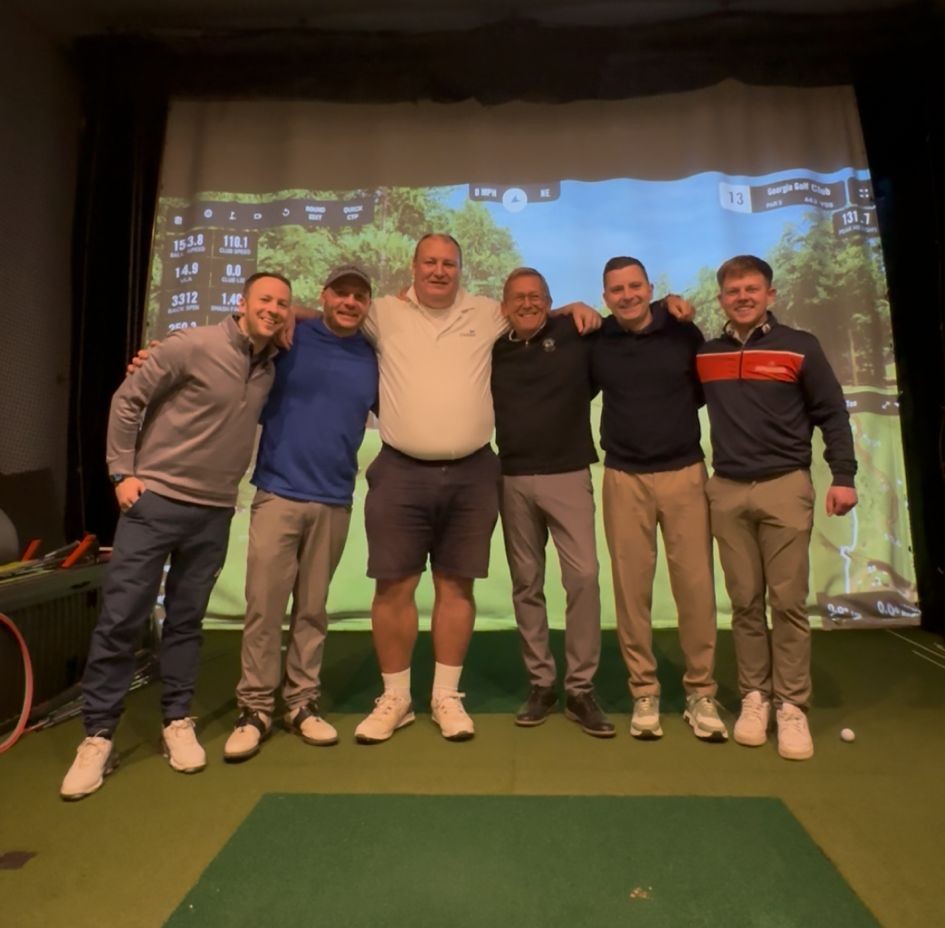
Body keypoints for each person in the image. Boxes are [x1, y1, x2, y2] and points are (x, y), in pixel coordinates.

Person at [353, 234, 601, 744]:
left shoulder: (487, 312)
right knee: (393, 586)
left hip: (472, 473)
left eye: (448, 263)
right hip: (400, 470)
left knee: (456, 585)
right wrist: (288, 314)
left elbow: (536, 311)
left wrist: (575, 306)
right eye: (430, 262)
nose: (439, 271)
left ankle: (446, 695)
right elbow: (331, 314)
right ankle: (396, 698)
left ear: (460, 269)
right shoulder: (382, 313)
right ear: (413, 266)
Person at [60, 272, 290, 800]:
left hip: (213, 513)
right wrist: (122, 473)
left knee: (186, 621)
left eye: (283, 303)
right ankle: (98, 737)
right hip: (154, 502)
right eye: (265, 299)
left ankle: (177, 720)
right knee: (122, 619)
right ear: (241, 302)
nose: (274, 309)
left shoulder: (270, 367)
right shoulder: (191, 345)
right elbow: (127, 401)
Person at [696, 254, 857, 761]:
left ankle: (791, 706)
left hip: (784, 486)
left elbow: (831, 412)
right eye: (733, 291)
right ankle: (755, 697)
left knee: (787, 602)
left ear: (770, 294)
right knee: (745, 601)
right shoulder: (707, 354)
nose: (742, 297)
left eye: (752, 289)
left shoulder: (799, 346)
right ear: (721, 299)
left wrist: (844, 476)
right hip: (727, 489)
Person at [223, 266, 378, 762]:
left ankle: (300, 703)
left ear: (367, 304)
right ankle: (254, 709)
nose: (350, 302)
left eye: (359, 296)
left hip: (334, 500)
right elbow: (237, 338)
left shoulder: (373, 356)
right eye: (341, 293)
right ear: (324, 296)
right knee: (264, 607)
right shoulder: (290, 337)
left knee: (312, 610)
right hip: (278, 492)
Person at [591, 257, 727, 743]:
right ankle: (644, 692)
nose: (627, 295)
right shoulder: (598, 339)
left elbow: (700, 394)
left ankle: (700, 692)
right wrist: (566, 309)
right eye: (616, 290)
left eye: (635, 286)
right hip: (623, 477)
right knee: (631, 591)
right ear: (605, 297)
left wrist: (675, 308)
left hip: (684, 473)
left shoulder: (682, 331)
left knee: (695, 586)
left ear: (650, 288)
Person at [490, 267, 614, 737]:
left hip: (568, 473)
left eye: (536, 296)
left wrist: (669, 305)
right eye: (518, 297)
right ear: (504, 306)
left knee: (583, 577)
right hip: (513, 477)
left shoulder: (575, 333)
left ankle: (580, 689)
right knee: (527, 583)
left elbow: (627, 319)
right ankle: (541, 683)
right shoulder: (493, 348)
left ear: (549, 300)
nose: (527, 303)